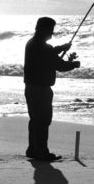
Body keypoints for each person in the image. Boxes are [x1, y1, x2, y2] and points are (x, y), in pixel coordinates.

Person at [24, 17, 80, 161]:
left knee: (35, 120)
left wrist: (61, 48)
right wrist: (74, 64)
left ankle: (33, 150)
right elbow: (60, 66)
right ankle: (42, 153)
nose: (52, 33)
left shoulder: (31, 43)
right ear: (45, 29)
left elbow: (48, 54)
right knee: (43, 121)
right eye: (51, 29)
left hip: (30, 87)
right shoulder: (44, 47)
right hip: (41, 90)